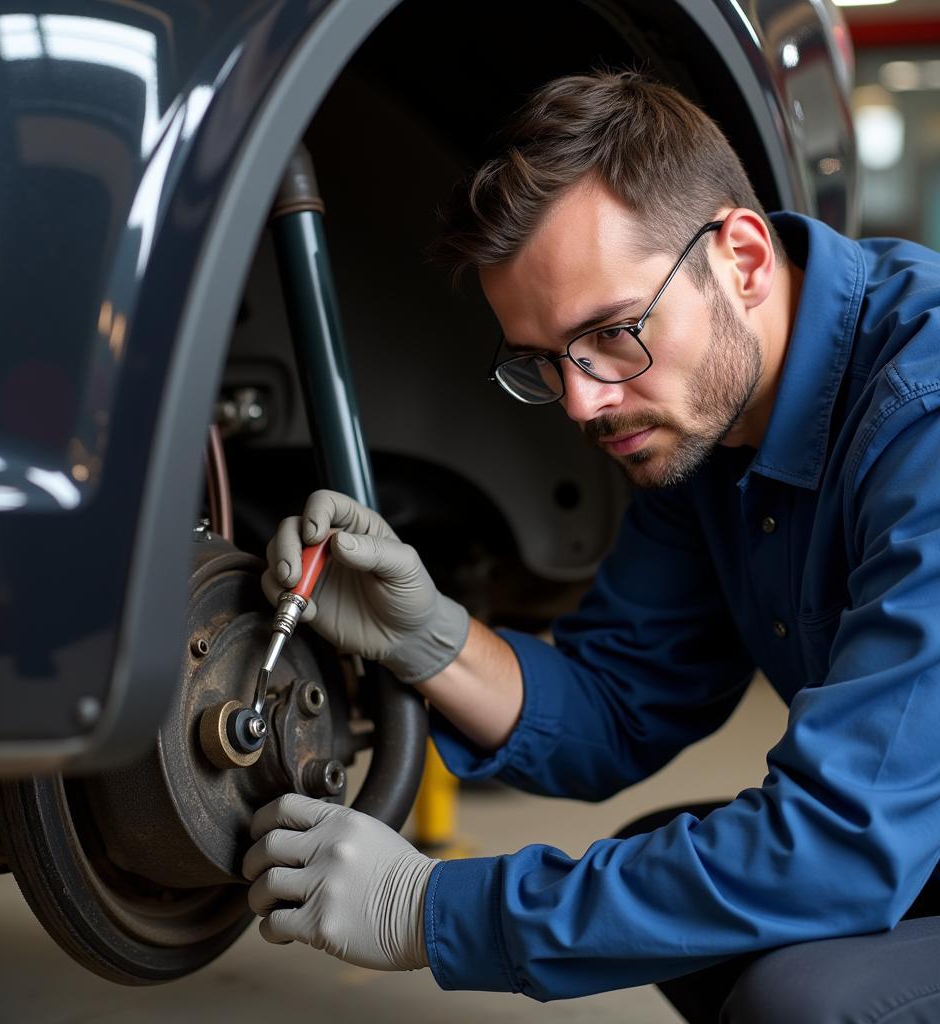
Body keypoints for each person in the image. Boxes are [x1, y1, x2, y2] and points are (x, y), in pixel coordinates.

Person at [242, 71, 940, 1022]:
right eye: (542, 361)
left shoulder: (923, 420)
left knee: (806, 1003)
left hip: (897, 836)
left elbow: (840, 843)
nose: (581, 401)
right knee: (683, 875)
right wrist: (432, 639)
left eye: (611, 334)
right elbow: (621, 707)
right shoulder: (703, 422)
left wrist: (433, 908)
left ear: (741, 257)